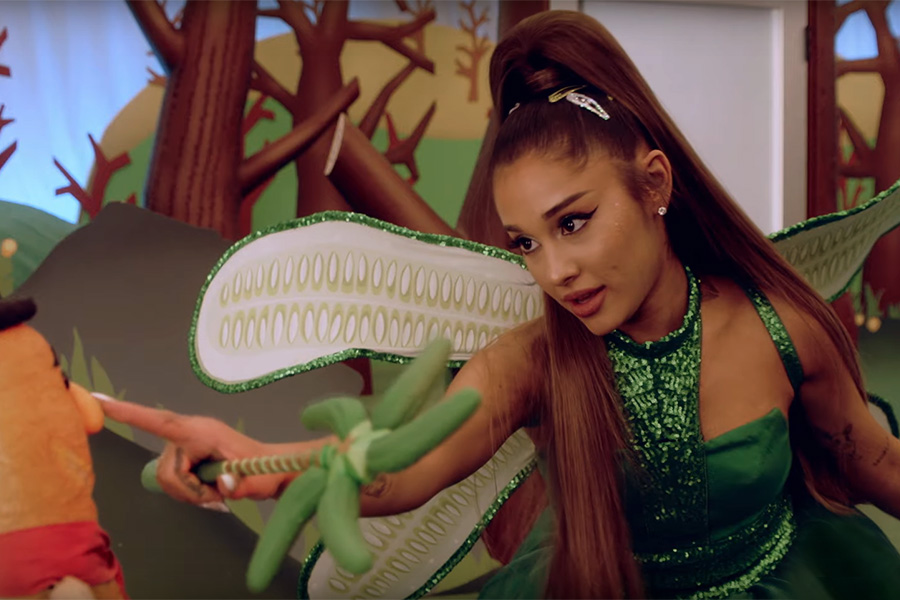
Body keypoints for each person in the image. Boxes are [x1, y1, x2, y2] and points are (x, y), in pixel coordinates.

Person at [100, 10, 900, 599]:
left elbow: (870, 461)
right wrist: (252, 462)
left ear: (653, 184)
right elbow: (399, 471)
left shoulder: (781, 328)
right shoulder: (532, 363)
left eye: (573, 222)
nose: (555, 271)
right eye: (525, 242)